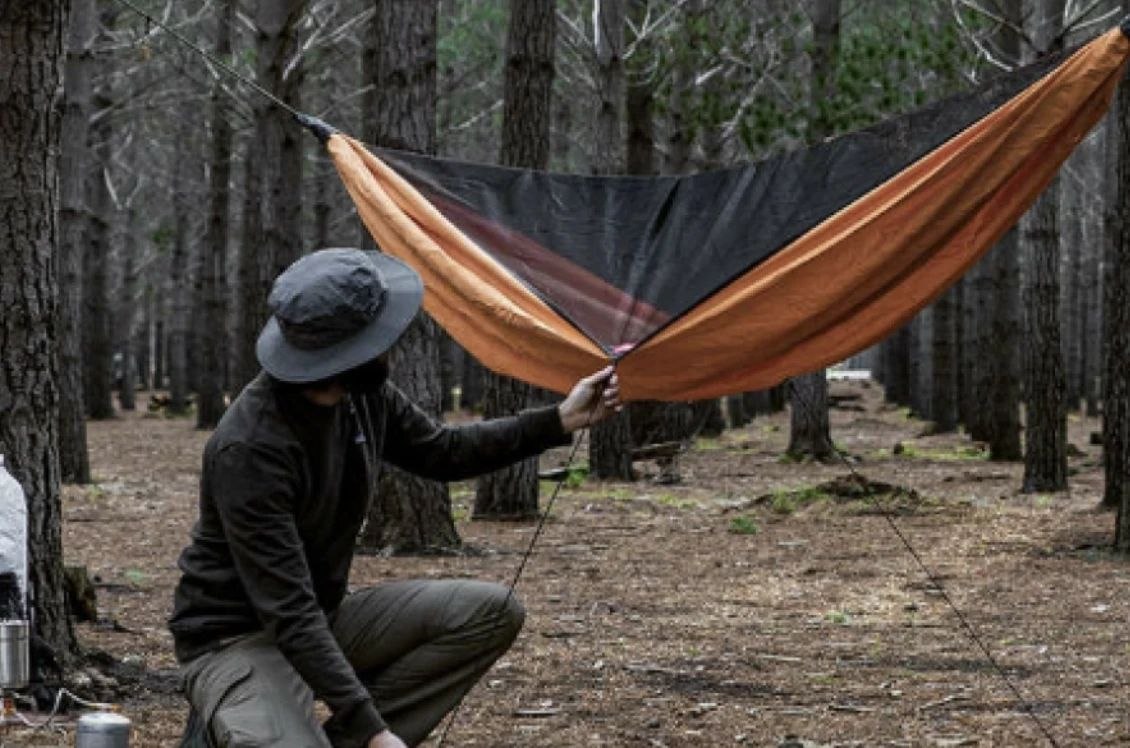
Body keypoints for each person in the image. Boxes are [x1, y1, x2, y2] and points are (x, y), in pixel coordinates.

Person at [169, 248, 621, 748]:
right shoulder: (250, 447)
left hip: (320, 621)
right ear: (347, 353)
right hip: (236, 641)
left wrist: (557, 421)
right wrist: (375, 730)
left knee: (488, 611)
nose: (393, 346)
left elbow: (442, 451)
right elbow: (287, 609)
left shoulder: (363, 396)